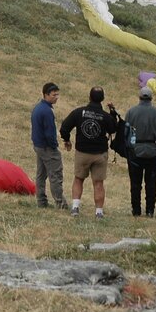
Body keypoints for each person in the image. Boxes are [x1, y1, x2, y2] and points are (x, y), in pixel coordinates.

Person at [59, 86, 116, 218]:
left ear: (89, 97)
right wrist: (112, 112)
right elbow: (113, 128)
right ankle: (99, 212)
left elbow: (64, 128)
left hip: (82, 153)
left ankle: (75, 208)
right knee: (98, 183)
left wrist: (67, 140)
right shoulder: (105, 116)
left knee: (78, 179)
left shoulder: (79, 112)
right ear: (102, 99)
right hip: (100, 154)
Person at [124, 86, 156, 218]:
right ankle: (150, 210)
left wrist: (129, 150)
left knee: (135, 183)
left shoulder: (131, 112)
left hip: (135, 151)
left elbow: (126, 133)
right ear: (151, 98)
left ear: (139, 97)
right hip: (152, 152)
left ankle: (136, 210)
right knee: (151, 183)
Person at [30, 82, 66, 209]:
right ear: (46, 95)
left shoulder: (38, 108)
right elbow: (50, 133)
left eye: (57, 94)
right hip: (47, 148)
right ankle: (60, 203)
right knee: (55, 175)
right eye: (53, 95)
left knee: (41, 175)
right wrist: (54, 146)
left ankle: (41, 201)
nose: (56, 97)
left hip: (38, 146)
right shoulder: (47, 111)